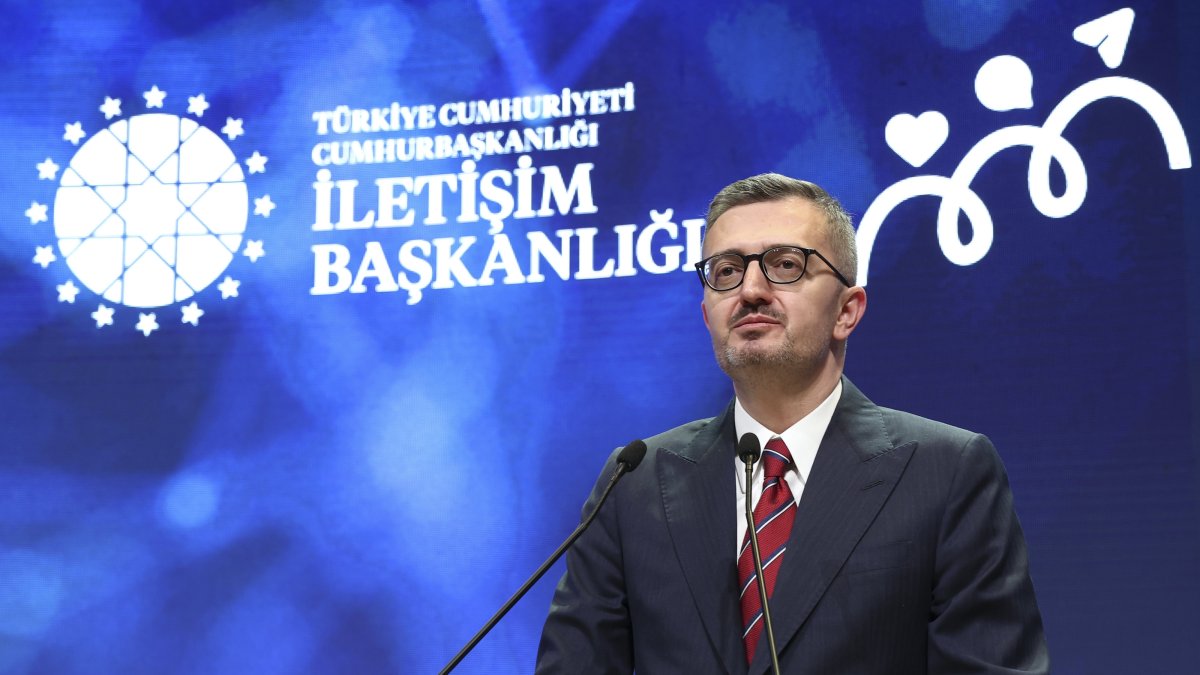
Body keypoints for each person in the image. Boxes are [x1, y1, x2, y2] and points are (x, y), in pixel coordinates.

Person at [535, 173, 1049, 674]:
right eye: (726, 272)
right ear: (707, 314)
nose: (751, 290)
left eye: (785, 265)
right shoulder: (634, 482)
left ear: (847, 311)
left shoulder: (947, 472)